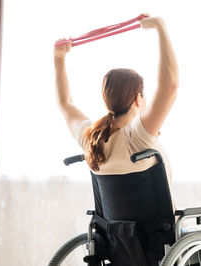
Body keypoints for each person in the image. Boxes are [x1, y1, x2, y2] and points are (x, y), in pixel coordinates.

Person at [53, 14, 178, 202]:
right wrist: (160, 27)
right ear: (138, 99)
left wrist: (59, 59)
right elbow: (169, 86)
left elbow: (65, 103)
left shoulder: (91, 139)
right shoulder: (138, 137)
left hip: (116, 232)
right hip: (162, 231)